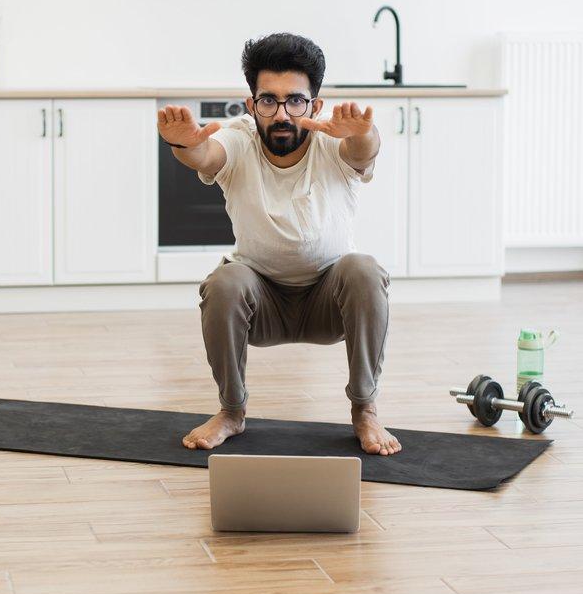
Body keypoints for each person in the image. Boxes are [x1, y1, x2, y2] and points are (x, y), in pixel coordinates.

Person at [157, 33, 402, 456]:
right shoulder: (239, 138)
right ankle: (232, 412)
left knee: (363, 269)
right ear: (251, 106)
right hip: (260, 304)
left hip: (330, 301)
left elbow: (363, 151)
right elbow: (207, 157)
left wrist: (363, 133)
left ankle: (365, 411)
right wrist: (184, 143)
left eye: (295, 101)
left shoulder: (333, 140)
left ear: (315, 105)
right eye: (269, 101)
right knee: (224, 282)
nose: (282, 113)